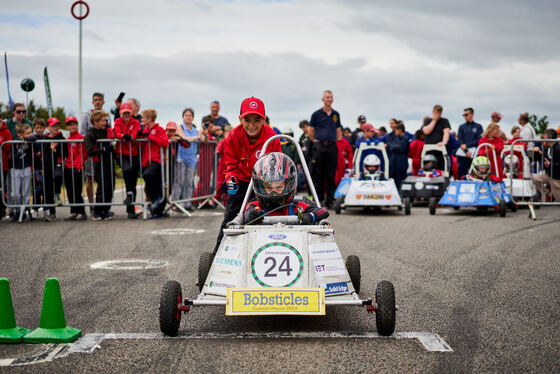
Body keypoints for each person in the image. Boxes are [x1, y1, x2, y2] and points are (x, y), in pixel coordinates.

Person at [213, 96, 281, 253]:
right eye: (247, 120)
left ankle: (270, 253)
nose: (252, 125)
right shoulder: (233, 136)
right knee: (230, 218)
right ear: (240, 119)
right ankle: (218, 256)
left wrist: (274, 187)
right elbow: (230, 165)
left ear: (264, 120)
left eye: (257, 120)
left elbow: (278, 165)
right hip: (241, 182)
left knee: (270, 220)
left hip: (265, 185)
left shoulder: (272, 138)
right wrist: (232, 185)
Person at [243, 152, 329, 225]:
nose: (274, 192)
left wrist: (309, 217)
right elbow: (247, 215)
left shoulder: (296, 206)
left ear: (288, 186)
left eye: (279, 187)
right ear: (261, 187)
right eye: (269, 188)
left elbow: (323, 211)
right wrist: (252, 215)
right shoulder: (255, 206)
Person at [308, 90, 342, 207]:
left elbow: (338, 129)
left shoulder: (336, 114)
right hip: (319, 146)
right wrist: (316, 141)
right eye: (327, 97)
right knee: (318, 174)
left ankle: (330, 200)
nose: (329, 99)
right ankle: (319, 199)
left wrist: (337, 138)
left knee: (331, 174)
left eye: (331, 97)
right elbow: (310, 130)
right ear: (323, 99)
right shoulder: (316, 114)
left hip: (332, 146)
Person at [80, 93, 112, 212]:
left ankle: (101, 205)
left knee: (102, 179)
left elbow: (109, 132)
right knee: (90, 178)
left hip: (103, 155)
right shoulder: (86, 115)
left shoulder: (107, 116)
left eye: (100, 100)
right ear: (92, 102)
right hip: (91, 151)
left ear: (103, 102)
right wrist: (92, 140)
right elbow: (82, 133)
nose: (97, 102)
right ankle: (92, 205)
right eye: (95, 100)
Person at [85, 110, 115, 221]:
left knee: (110, 187)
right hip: (99, 163)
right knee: (102, 187)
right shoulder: (90, 134)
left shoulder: (106, 131)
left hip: (109, 162)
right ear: (95, 122)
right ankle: (97, 211)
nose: (105, 122)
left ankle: (106, 210)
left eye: (106, 120)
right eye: (103, 121)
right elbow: (90, 151)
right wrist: (104, 149)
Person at [113, 102, 142, 219]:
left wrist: (131, 137)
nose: (126, 115)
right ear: (121, 113)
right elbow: (116, 132)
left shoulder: (135, 122)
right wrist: (123, 136)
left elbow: (135, 133)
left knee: (133, 181)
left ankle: (131, 210)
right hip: (122, 154)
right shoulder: (118, 121)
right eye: (124, 113)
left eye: (128, 113)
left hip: (134, 154)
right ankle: (129, 195)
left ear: (131, 113)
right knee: (127, 170)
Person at [139, 109, 169, 218]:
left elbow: (165, 142)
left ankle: (157, 199)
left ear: (149, 119)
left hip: (156, 159)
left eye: (143, 118)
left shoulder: (159, 129)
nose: (141, 120)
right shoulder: (144, 130)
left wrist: (151, 136)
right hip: (146, 161)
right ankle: (156, 210)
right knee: (151, 181)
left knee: (150, 176)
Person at [171, 108, 199, 211]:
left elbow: (201, 137)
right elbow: (183, 138)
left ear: (193, 117)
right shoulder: (180, 127)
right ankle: (175, 203)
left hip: (191, 159)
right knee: (179, 182)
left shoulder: (195, 129)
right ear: (183, 117)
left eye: (190, 115)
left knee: (189, 182)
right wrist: (196, 138)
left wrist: (201, 135)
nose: (188, 117)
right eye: (186, 115)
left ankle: (187, 203)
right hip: (181, 158)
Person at [61, 116, 87, 220]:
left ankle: (82, 212)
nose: (72, 126)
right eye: (70, 124)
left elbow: (83, 154)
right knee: (70, 190)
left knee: (77, 191)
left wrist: (79, 165)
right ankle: (74, 211)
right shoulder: (67, 139)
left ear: (77, 125)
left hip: (77, 168)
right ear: (67, 127)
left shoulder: (81, 138)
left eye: (74, 124)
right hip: (68, 167)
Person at [7, 123, 35, 221]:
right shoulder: (14, 143)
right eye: (28, 133)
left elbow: (34, 138)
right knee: (15, 194)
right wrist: (22, 149)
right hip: (15, 169)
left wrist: (27, 139)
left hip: (26, 168)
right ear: (20, 134)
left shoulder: (31, 141)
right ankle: (18, 210)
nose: (30, 135)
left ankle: (23, 212)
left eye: (31, 132)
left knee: (25, 192)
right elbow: (12, 159)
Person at [42, 118, 65, 221]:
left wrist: (56, 150)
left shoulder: (62, 138)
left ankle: (57, 194)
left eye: (57, 125)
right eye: (53, 126)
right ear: (48, 128)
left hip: (58, 164)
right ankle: (52, 213)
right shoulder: (44, 138)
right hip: (47, 166)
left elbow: (65, 153)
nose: (56, 127)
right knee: (48, 189)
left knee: (57, 176)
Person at [533, 129, 560, 201]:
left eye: (545, 136)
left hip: (556, 177)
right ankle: (547, 193)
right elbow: (539, 159)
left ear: (550, 137)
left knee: (558, 200)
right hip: (548, 174)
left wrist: (550, 164)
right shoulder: (546, 147)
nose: (543, 138)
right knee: (536, 179)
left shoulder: (558, 148)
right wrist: (537, 152)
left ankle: (553, 195)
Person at [457, 107, 483, 178]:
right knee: (461, 172)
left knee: (474, 172)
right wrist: (465, 150)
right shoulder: (461, 127)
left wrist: (467, 145)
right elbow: (460, 139)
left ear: (472, 114)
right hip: (463, 153)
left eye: (466, 114)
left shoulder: (478, 126)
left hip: (474, 153)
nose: (465, 116)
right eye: (464, 115)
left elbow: (479, 139)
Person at [384, 122, 410, 189]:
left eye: (396, 130)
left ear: (400, 130)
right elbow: (393, 147)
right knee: (393, 179)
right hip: (393, 163)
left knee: (400, 180)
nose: (395, 132)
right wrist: (391, 147)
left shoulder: (405, 139)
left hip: (401, 163)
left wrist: (390, 146)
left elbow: (398, 147)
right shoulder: (396, 138)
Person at [31, 118, 46, 219]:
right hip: (36, 168)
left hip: (45, 168)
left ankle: (46, 209)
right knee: (36, 190)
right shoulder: (32, 139)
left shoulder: (46, 138)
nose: (39, 129)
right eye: (37, 128)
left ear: (44, 128)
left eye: (41, 127)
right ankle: (35, 209)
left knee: (45, 190)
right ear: (34, 128)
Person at [0, 118, 13, 220]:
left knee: (2, 188)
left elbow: (8, 146)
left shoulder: (6, 131)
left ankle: (2, 210)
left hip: (3, 165)